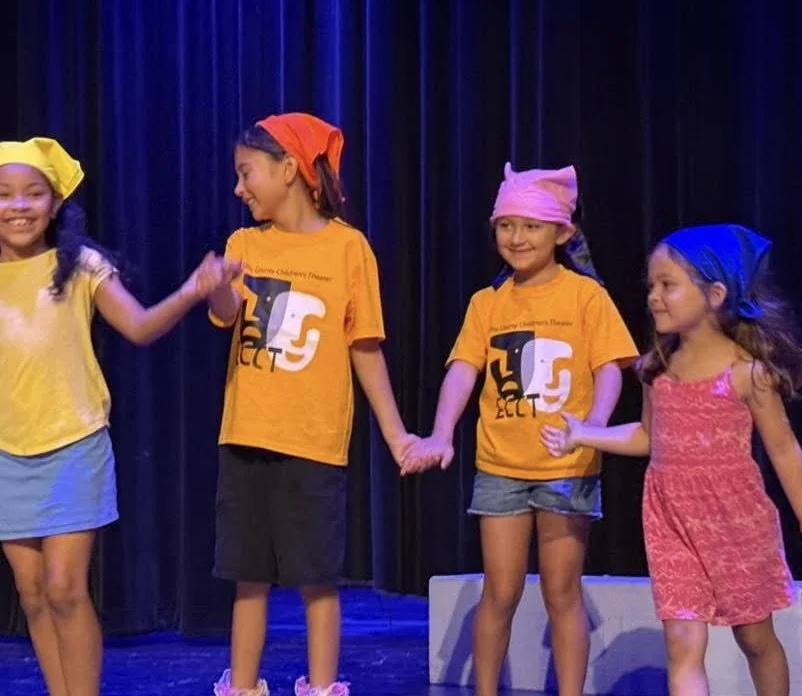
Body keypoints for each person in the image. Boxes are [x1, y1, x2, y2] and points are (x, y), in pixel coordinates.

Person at [540, 224, 802, 696]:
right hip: (670, 517)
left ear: (715, 294)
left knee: (755, 638)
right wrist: (584, 434)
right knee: (681, 640)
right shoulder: (659, 369)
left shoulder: (746, 374)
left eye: (668, 285)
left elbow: (783, 450)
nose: (655, 296)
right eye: (652, 286)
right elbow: (647, 437)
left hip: (735, 521)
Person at [0, 137, 226, 696]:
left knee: (65, 588)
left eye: (34, 194)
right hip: (6, 453)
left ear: (55, 205)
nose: (19, 206)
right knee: (31, 593)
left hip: (74, 444)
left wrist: (193, 291)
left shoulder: (79, 266)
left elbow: (141, 326)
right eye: (5, 195)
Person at [403, 163, 639, 696]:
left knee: (561, 590)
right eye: (506, 225)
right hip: (501, 468)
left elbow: (610, 369)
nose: (516, 237)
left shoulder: (586, 297)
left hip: (566, 466)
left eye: (531, 226)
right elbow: (463, 371)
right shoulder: (487, 303)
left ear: (562, 232)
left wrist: (594, 426)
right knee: (500, 590)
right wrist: (442, 435)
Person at [205, 113, 418, 696]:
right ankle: (242, 686)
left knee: (317, 579)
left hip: (314, 443)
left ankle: (322, 687)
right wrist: (218, 285)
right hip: (246, 435)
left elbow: (366, 348)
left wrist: (397, 435)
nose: (238, 188)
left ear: (289, 170)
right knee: (249, 577)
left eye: (247, 173)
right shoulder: (244, 243)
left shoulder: (350, 249)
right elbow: (225, 316)